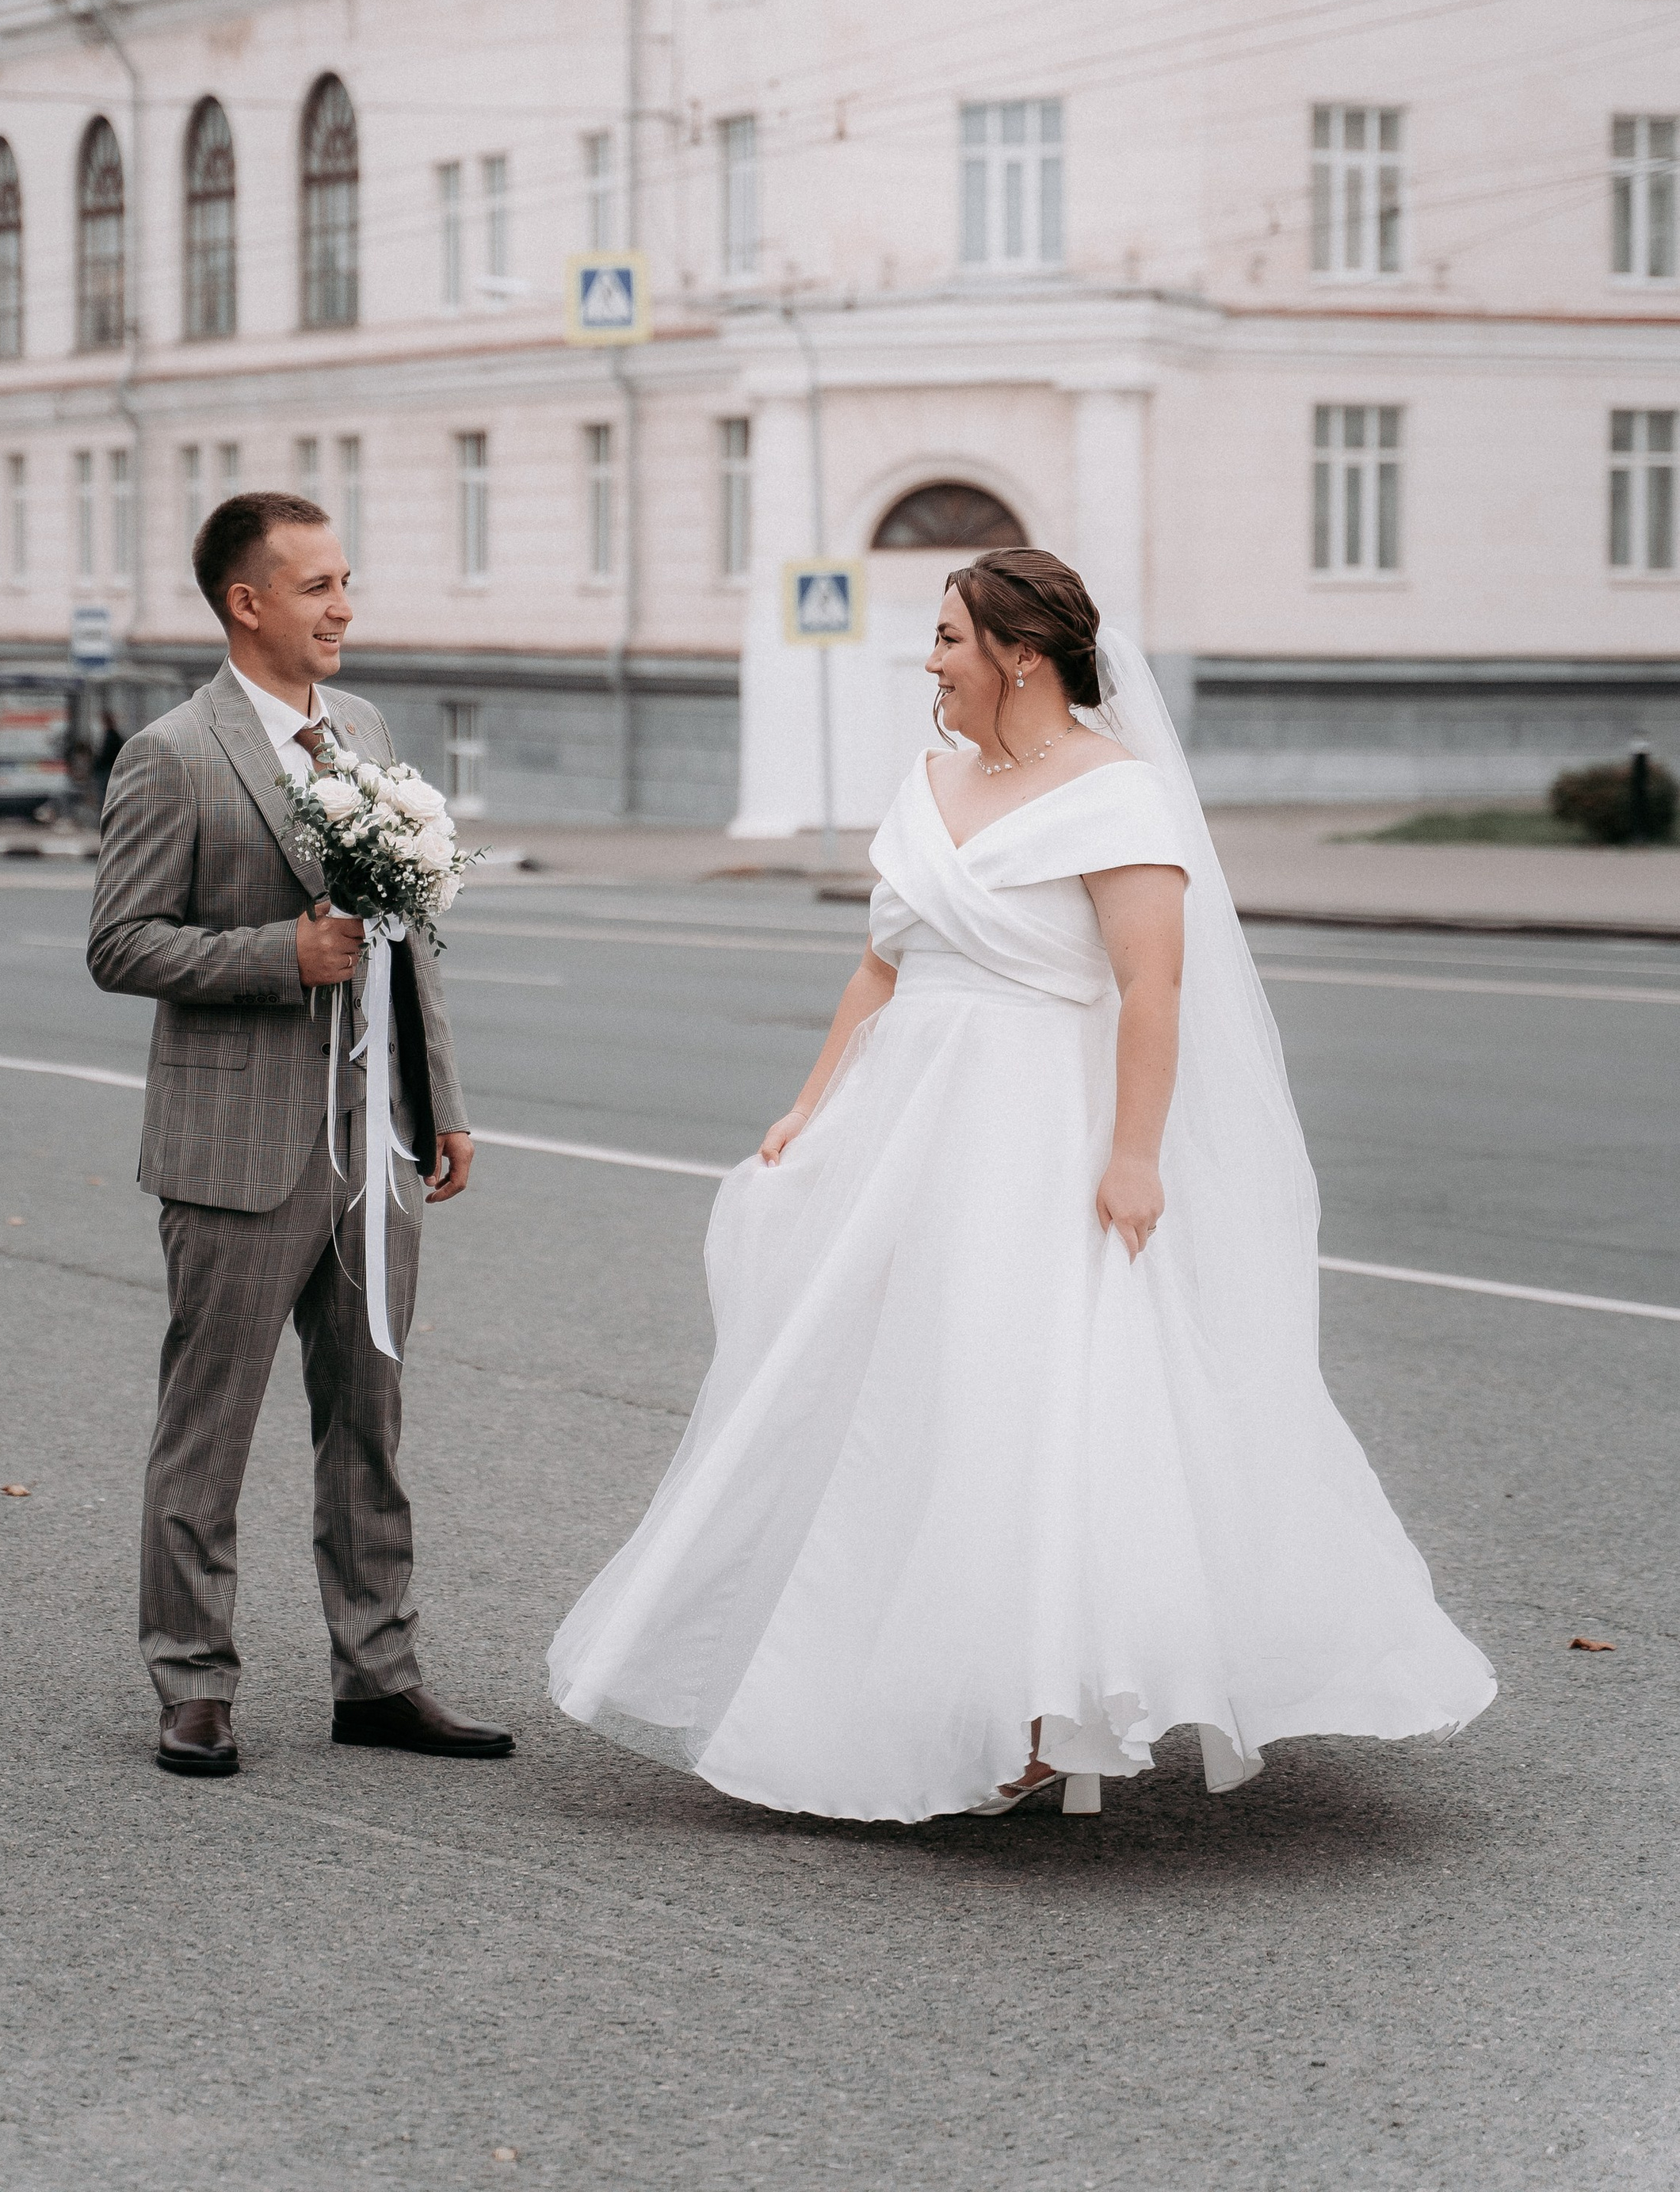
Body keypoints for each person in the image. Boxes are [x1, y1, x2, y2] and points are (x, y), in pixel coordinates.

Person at [549, 546, 1495, 1821]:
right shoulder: (931, 782)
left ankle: (1043, 1705)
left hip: (1037, 1133)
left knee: (1029, 1399)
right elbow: (880, 968)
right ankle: (894, 1683)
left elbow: (1154, 985)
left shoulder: (1119, 794)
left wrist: (1135, 1154)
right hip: (903, 1134)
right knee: (897, 1397)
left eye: (950, 637)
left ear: (1023, 654)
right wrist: (811, 1103)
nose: (931, 661)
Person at [89, 490, 509, 1779]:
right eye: (319, 586)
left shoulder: (363, 729)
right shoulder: (174, 754)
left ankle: (378, 1675)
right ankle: (193, 1682)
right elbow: (121, 942)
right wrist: (281, 953)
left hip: (374, 1143)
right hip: (240, 1150)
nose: (344, 607)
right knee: (207, 1429)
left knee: (369, 1421)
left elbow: (404, 939)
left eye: (346, 581)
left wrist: (437, 1102)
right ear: (247, 603)